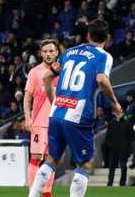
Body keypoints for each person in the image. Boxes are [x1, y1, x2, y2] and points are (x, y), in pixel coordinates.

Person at [27, 18, 122, 197]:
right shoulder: (103, 56)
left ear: (87, 35)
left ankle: (32, 195)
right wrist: (115, 103)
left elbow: (47, 77)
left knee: (52, 159)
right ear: (107, 38)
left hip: (56, 113)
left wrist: (53, 101)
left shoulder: (69, 52)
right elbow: (102, 79)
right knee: (85, 164)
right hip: (78, 114)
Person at [23, 39, 60, 197]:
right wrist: (27, 118)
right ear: (41, 53)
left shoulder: (63, 71)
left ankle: (46, 193)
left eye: (51, 51)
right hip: (39, 122)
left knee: (51, 159)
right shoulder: (35, 72)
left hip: (56, 121)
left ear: (57, 52)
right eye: (45, 51)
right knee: (36, 157)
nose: (48, 54)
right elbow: (27, 98)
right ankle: (33, 191)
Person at [105, 91, 135, 187]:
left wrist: (127, 147)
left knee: (123, 166)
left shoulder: (127, 123)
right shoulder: (111, 123)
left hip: (123, 148)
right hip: (113, 148)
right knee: (112, 167)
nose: (115, 110)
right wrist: (110, 145)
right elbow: (108, 137)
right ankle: (110, 183)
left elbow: (131, 136)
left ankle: (122, 183)